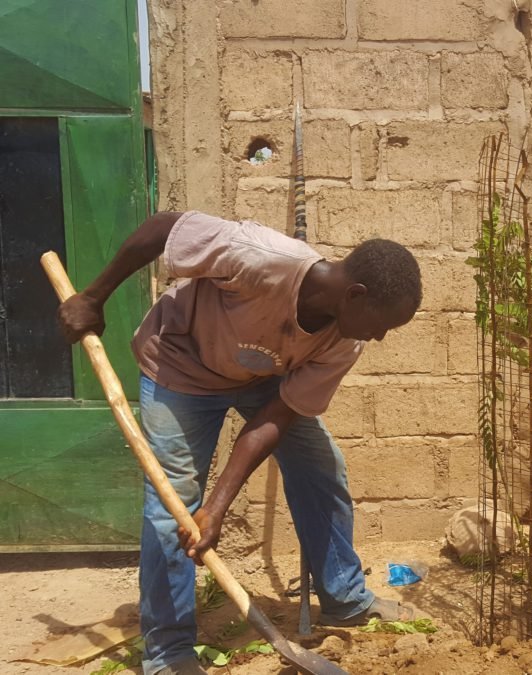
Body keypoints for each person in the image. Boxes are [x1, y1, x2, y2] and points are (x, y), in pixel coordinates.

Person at [58, 210, 423, 674]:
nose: (380, 336)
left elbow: (278, 416)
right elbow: (163, 227)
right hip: (180, 364)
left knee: (320, 467)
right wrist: (93, 297)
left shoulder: (344, 341)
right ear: (355, 295)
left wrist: (220, 505)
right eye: (383, 323)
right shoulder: (260, 257)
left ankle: (345, 599)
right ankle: (168, 651)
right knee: (174, 500)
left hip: (263, 379)